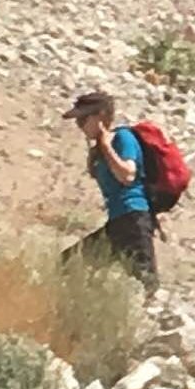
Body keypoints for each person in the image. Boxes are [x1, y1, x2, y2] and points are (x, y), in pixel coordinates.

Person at [65, 90, 160, 296]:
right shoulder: (100, 149)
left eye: (83, 119)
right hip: (117, 223)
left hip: (134, 219)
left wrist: (107, 147)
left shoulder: (122, 138)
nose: (79, 125)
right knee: (70, 262)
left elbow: (127, 175)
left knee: (147, 283)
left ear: (100, 116)